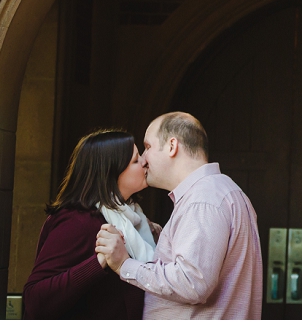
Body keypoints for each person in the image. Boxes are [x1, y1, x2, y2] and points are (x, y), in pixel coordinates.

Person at [95, 112, 263, 319]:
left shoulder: (203, 200)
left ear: (172, 146)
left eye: (147, 147)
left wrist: (124, 265)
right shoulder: (223, 192)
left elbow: (192, 282)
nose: (144, 160)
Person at [23, 130, 156, 319]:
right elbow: (34, 300)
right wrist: (99, 262)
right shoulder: (78, 221)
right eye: (135, 160)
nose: (145, 161)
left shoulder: (133, 219)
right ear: (111, 173)